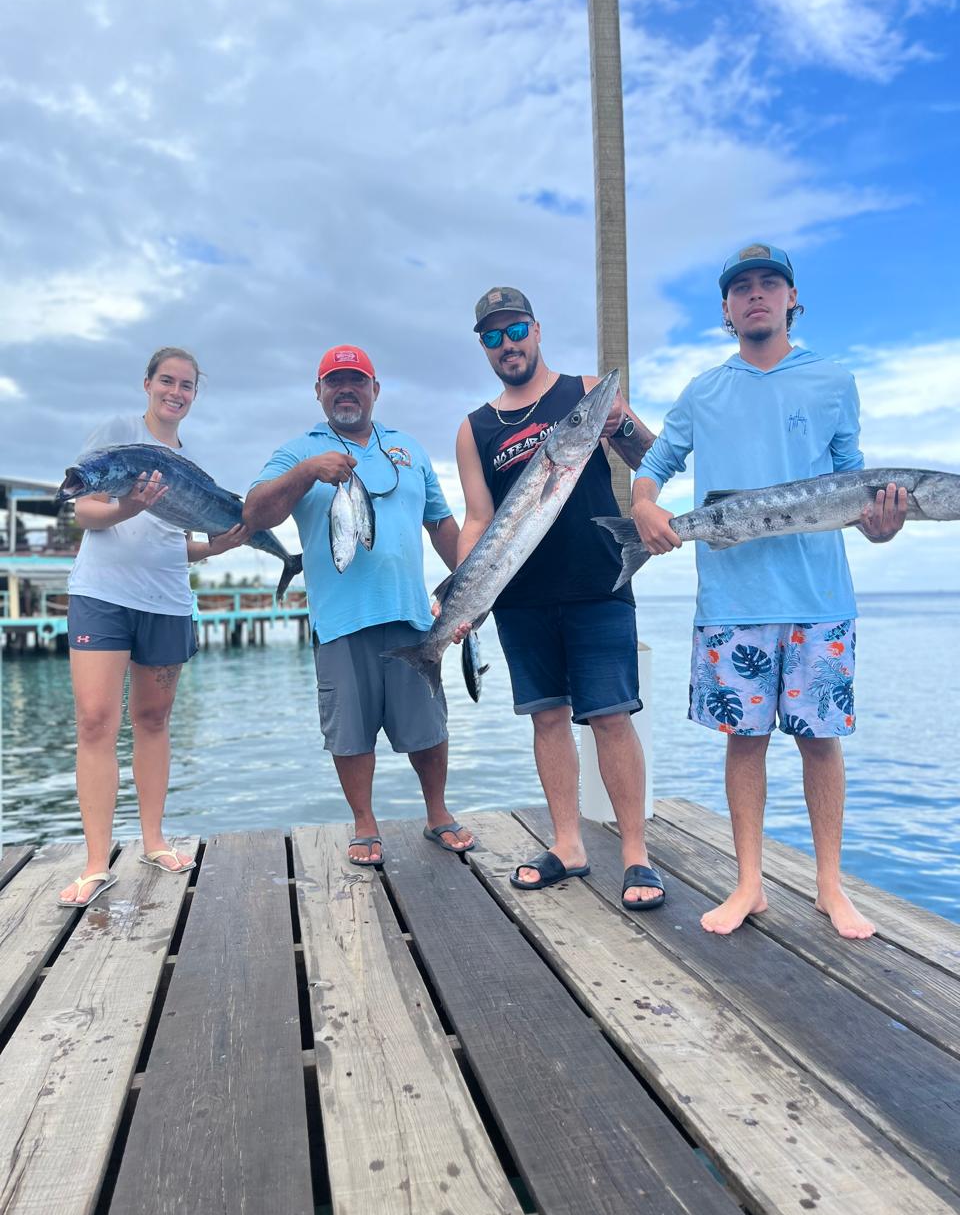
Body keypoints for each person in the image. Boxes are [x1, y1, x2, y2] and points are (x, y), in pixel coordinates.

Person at [632, 244, 907, 939]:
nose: (756, 295)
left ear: (792, 300)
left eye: (769, 284)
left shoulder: (834, 380)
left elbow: (857, 487)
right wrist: (643, 504)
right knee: (744, 742)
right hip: (732, 601)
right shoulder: (703, 389)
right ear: (726, 310)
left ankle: (828, 887)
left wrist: (882, 525)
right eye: (741, 288)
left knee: (821, 743)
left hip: (819, 599)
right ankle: (749, 884)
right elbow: (658, 462)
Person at [453, 286, 663, 910]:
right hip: (520, 598)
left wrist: (620, 420)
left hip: (599, 582)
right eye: (492, 336)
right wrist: (464, 594)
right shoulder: (475, 429)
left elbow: (649, 457)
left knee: (611, 716)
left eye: (514, 330)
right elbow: (475, 518)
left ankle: (635, 856)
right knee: (547, 717)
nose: (506, 344)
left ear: (537, 330)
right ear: (484, 348)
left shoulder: (585, 391)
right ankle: (568, 845)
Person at [243, 345, 472, 866]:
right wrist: (306, 472)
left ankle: (437, 813)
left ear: (375, 389)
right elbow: (254, 513)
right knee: (349, 731)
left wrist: (472, 590)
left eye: (357, 381)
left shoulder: (407, 449)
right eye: (334, 382)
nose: (346, 390)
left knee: (428, 726)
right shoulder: (298, 449)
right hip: (341, 621)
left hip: (414, 616)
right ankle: (364, 823)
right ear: (318, 391)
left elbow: (441, 525)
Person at [59, 347, 251, 907]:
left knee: (152, 719)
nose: (176, 392)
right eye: (167, 381)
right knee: (96, 720)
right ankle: (97, 864)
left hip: (166, 599)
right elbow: (86, 510)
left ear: (195, 394)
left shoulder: (192, 461)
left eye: (187, 385)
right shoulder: (118, 435)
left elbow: (175, 547)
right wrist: (129, 507)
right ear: (147, 384)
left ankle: (153, 841)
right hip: (101, 595)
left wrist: (215, 546)